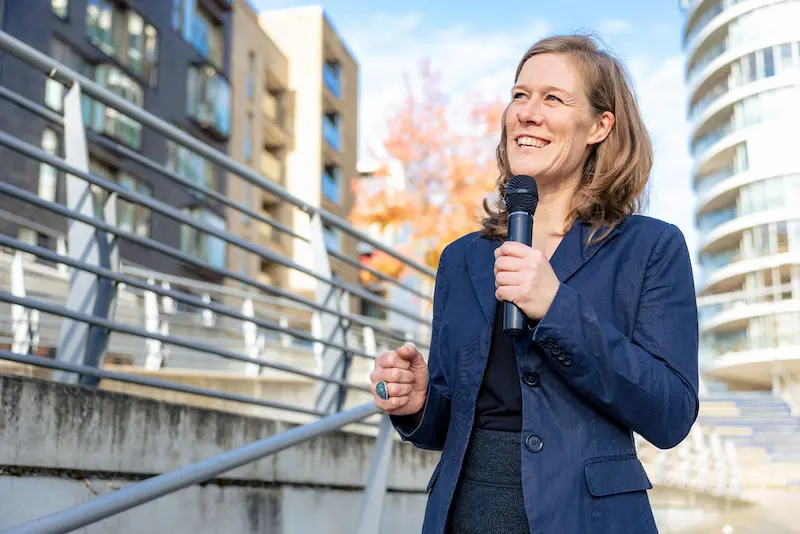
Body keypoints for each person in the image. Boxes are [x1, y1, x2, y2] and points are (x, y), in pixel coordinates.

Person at [369, 34, 699, 534]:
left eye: (553, 98)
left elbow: (670, 414)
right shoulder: (461, 258)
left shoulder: (651, 248)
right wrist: (417, 404)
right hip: (466, 515)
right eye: (520, 95)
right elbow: (449, 422)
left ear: (599, 125)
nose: (527, 112)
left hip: (590, 518)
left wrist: (557, 307)